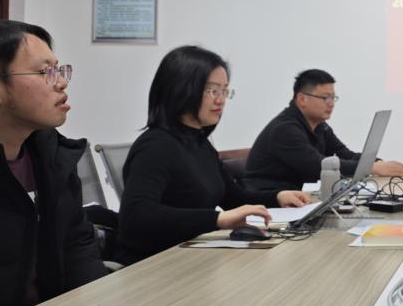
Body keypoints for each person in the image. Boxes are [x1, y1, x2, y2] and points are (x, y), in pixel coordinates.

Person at [0, 20, 108, 306]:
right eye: (44, 72)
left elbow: (77, 243)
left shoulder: (52, 157)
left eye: (59, 70)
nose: (61, 83)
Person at [116, 46, 310, 264]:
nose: (220, 100)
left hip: (192, 257)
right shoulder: (155, 147)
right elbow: (136, 217)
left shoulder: (200, 143)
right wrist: (217, 219)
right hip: (154, 265)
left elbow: (234, 199)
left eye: (224, 91)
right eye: (212, 90)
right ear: (181, 89)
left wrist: (277, 197)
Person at [244, 69, 403, 191]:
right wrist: (371, 168)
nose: (331, 103)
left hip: (296, 198)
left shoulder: (319, 126)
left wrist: (377, 162)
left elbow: (344, 154)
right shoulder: (285, 129)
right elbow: (317, 166)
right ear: (302, 99)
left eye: (333, 97)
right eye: (325, 98)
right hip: (270, 203)